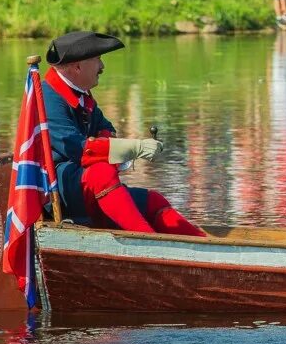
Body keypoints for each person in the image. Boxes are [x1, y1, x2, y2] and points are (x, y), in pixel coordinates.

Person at [40, 31, 204, 236]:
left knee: (154, 201)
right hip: (58, 190)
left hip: (82, 182)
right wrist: (134, 148)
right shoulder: (47, 98)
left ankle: (205, 244)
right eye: (98, 59)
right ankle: (149, 241)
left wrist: (108, 144)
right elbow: (79, 149)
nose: (102, 66)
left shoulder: (81, 93)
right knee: (101, 172)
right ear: (78, 66)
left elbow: (106, 127)